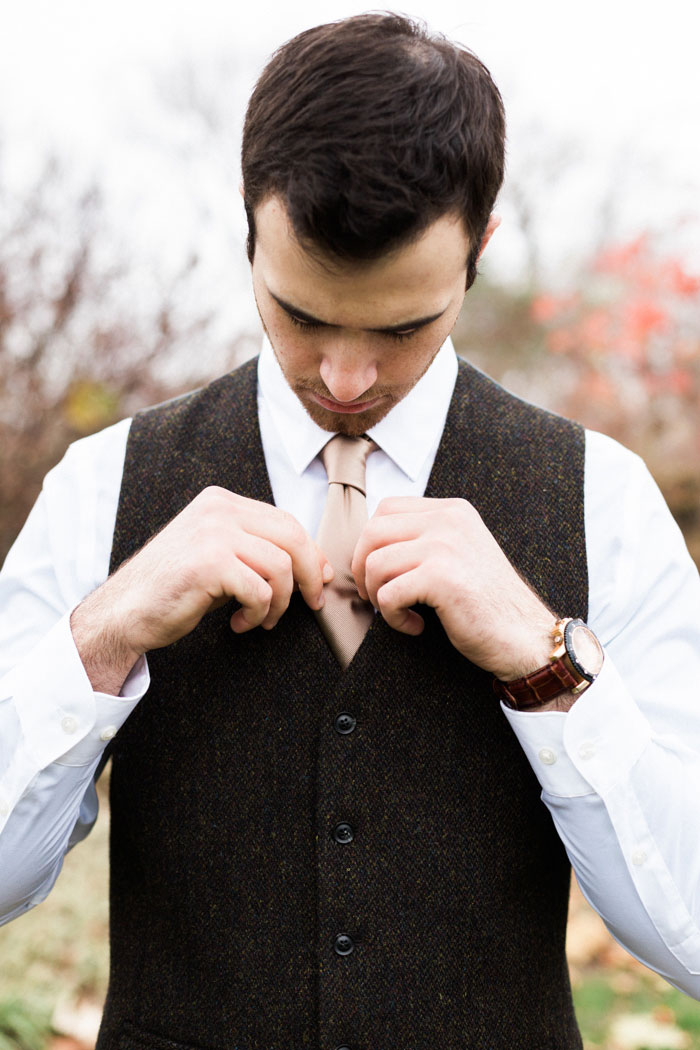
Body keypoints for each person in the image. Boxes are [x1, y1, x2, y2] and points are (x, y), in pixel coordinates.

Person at [1, 11, 700, 1049]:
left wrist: (545, 662)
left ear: (481, 248)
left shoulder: (605, 497)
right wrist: (101, 637)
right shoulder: (100, 488)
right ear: (248, 223)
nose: (344, 378)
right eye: (301, 314)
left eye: (401, 328)